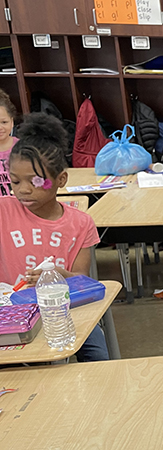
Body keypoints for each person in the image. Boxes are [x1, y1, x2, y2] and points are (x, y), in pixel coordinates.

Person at [0, 113, 109, 362]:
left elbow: (82, 280)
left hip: (66, 310)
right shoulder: (4, 210)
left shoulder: (81, 224)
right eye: (15, 181)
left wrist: (59, 276)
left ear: (61, 179)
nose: (23, 189)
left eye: (36, 181)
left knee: (97, 357)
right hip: (13, 313)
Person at [0, 90, 19, 197]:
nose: (0, 128)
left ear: (12, 122)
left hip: (20, 205)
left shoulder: (22, 148)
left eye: (4, 122)